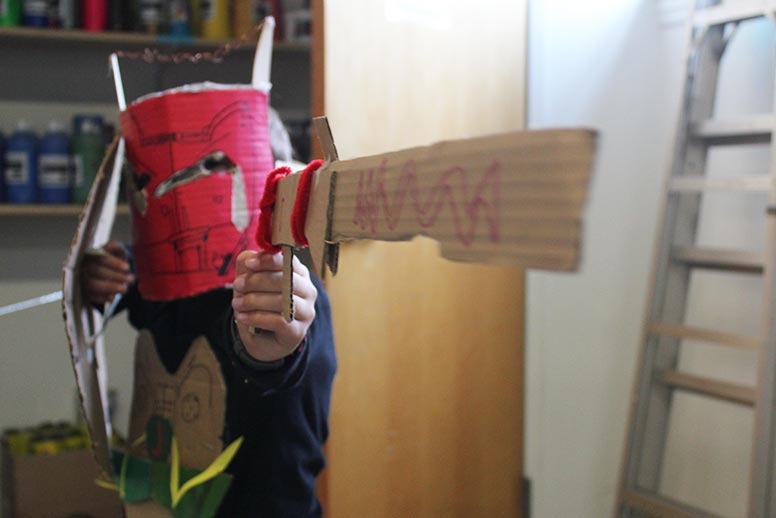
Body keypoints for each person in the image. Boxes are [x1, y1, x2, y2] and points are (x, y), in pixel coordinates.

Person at [82, 206, 336, 514]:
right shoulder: (167, 281)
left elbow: (274, 356)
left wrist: (267, 342)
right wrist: (106, 272)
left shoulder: (290, 298)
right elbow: (130, 281)